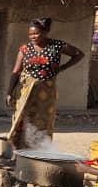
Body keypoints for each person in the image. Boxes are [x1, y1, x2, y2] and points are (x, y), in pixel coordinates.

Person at [6, 18, 84, 149]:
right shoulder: (25, 49)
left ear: (46, 32)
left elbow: (79, 54)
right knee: (22, 120)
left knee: (43, 122)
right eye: (30, 34)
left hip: (46, 93)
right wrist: (9, 92)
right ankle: (19, 152)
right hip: (25, 91)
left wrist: (62, 68)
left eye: (36, 33)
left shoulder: (57, 46)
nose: (33, 37)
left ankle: (40, 152)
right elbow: (16, 71)